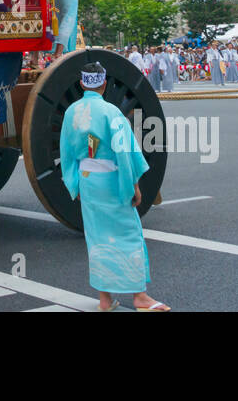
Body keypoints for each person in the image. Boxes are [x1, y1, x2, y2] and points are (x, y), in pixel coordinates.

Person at [60, 66, 168, 311]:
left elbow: (66, 153)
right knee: (129, 233)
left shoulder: (70, 112)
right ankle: (139, 296)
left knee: (97, 238)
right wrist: (133, 186)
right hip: (111, 180)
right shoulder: (111, 112)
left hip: (87, 179)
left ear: (81, 84)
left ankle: (105, 299)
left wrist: (74, 183)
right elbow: (125, 151)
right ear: (104, 84)